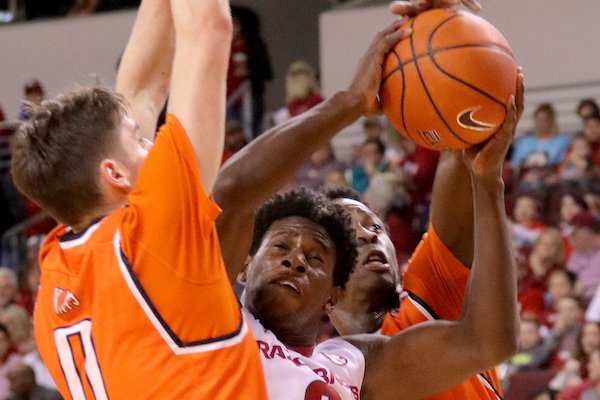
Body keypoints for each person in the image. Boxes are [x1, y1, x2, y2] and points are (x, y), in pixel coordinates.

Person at [10, 0, 266, 398]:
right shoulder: (153, 232)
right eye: (142, 139)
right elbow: (210, 28)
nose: (153, 141)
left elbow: (142, 93)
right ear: (113, 173)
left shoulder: (57, 266)